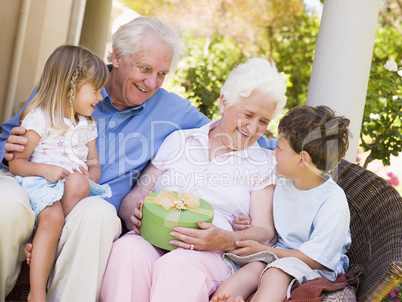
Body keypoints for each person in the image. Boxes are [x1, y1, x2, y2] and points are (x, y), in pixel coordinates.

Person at [0, 17, 218, 301]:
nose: (152, 83)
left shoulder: (173, 109)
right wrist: (11, 147)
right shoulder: (72, 81)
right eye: (145, 69)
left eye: (162, 73)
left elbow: (227, 129)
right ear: (117, 56)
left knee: (99, 215)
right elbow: (7, 140)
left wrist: (288, 143)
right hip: (29, 181)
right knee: (5, 204)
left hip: (88, 202)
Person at [100, 57, 287, 302]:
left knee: (178, 265)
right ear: (224, 102)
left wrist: (227, 238)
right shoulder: (180, 141)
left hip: (211, 254)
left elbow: (265, 232)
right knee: (127, 250)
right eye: (248, 114)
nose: (252, 128)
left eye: (263, 121)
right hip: (154, 237)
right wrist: (130, 212)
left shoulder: (263, 163)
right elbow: (136, 194)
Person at [210, 105, 352, 302]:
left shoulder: (332, 201)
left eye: (279, 148)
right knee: (249, 271)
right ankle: (223, 298)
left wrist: (267, 251)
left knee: (276, 273)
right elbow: (266, 220)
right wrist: (244, 223)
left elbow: (317, 258)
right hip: (276, 253)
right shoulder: (283, 181)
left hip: (314, 264)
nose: (273, 154)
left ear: (302, 160)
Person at [8, 45, 113, 302]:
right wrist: (46, 170)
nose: (100, 97)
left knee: (78, 185)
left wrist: (88, 179)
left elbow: (94, 165)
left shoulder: (87, 125)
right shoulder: (39, 119)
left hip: (73, 191)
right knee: (52, 217)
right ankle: (37, 293)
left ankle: (45, 248)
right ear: (71, 88)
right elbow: (17, 164)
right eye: (95, 90)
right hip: (40, 185)